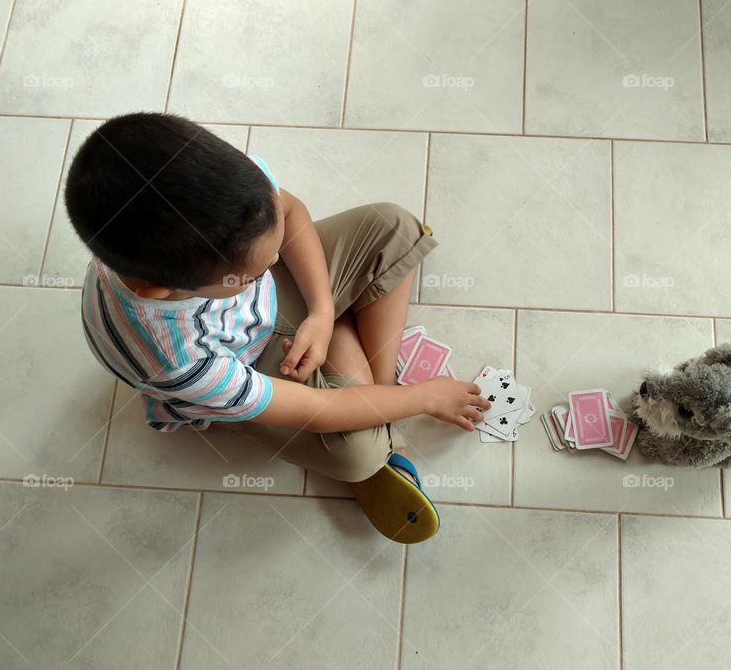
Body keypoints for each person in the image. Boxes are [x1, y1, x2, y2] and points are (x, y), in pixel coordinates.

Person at [64, 112, 490, 544]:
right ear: (163, 290)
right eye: (250, 274)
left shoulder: (229, 190)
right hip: (246, 363)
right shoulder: (180, 362)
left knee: (394, 225)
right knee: (360, 456)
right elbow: (313, 413)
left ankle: (370, 383)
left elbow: (289, 210)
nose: (269, 267)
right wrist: (425, 397)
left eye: (272, 255)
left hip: (278, 310)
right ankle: (375, 408)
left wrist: (323, 311)